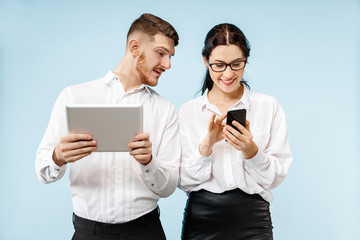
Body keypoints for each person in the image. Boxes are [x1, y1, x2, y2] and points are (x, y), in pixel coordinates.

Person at [35, 13, 180, 240]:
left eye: (170, 56)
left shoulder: (166, 109)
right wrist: (58, 156)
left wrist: (149, 162)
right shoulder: (74, 96)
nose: (168, 64)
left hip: (146, 232)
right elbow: (43, 172)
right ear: (134, 47)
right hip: (87, 233)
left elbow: (169, 187)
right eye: (161, 53)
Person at [179, 23, 292, 240]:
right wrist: (206, 146)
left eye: (236, 64)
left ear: (246, 60)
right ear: (206, 61)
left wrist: (251, 150)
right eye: (219, 65)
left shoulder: (268, 106)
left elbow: (274, 178)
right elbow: (183, 180)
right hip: (202, 222)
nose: (228, 73)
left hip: (253, 221)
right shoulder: (188, 111)